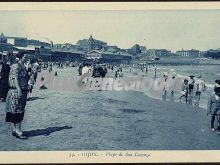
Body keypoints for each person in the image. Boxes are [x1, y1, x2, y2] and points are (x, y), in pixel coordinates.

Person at [5, 52, 29, 139]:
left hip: (21, 91)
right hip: (16, 91)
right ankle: (18, 132)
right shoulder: (16, 66)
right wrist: (19, 89)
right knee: (18, 111)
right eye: (25, 57)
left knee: (17, 110)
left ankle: (15, 130)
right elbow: (15, 78)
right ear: (20, 57)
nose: (27, 58)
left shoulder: (22, 66)